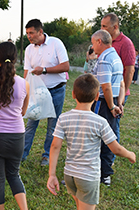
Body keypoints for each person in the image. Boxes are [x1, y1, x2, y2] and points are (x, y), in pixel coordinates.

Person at [47, 73, 136, 210]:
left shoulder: (63, 118)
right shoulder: (100, 122)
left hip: (70, 175)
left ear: (73, 95)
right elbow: (115, 149)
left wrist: (52, 174)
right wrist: (130, 154)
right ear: (96, 97)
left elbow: (54, 146)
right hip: (88, 178)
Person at [0, 42, 30, 210]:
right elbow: (22, 112)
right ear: (16, 59)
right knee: (14, 175)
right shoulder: (25, 84)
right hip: (17, 137)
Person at [21, 19, 70, 166]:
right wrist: (24, 90)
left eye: (31, 33)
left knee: (52, 125)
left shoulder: (56, 43)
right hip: (38, 91)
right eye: (27, 33)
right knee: (31, 122)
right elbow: (26, 72)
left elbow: (66, 66)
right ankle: (22, 154)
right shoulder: (29, 49)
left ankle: (46, 155)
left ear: (40, 32)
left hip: (56, 89)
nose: (29, 36)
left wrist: (44, 70)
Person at [90, 30, 125, 186]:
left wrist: (111, 106)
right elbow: (122, 83)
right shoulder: (115, 56)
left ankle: (102, 173)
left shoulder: (104, 58)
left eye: (93, 42)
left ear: (99, 42)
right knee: (110, 135)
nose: (92, 46)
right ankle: (106, 173)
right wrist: (119, 103)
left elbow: (106, 87)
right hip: (113, 101)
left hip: (103, 103)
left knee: (99, 137)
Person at [101, 13, 136, 146]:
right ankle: (102, 153)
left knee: (112, 125)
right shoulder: (104, 41)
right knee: (103, 123)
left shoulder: (126, 43)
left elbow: (129, 70)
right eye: (101, 25)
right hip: (105, 91)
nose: (102, 29)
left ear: (115, 27)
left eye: (105, 26)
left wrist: (122, 95)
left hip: (117, 92)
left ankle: (111, 156)